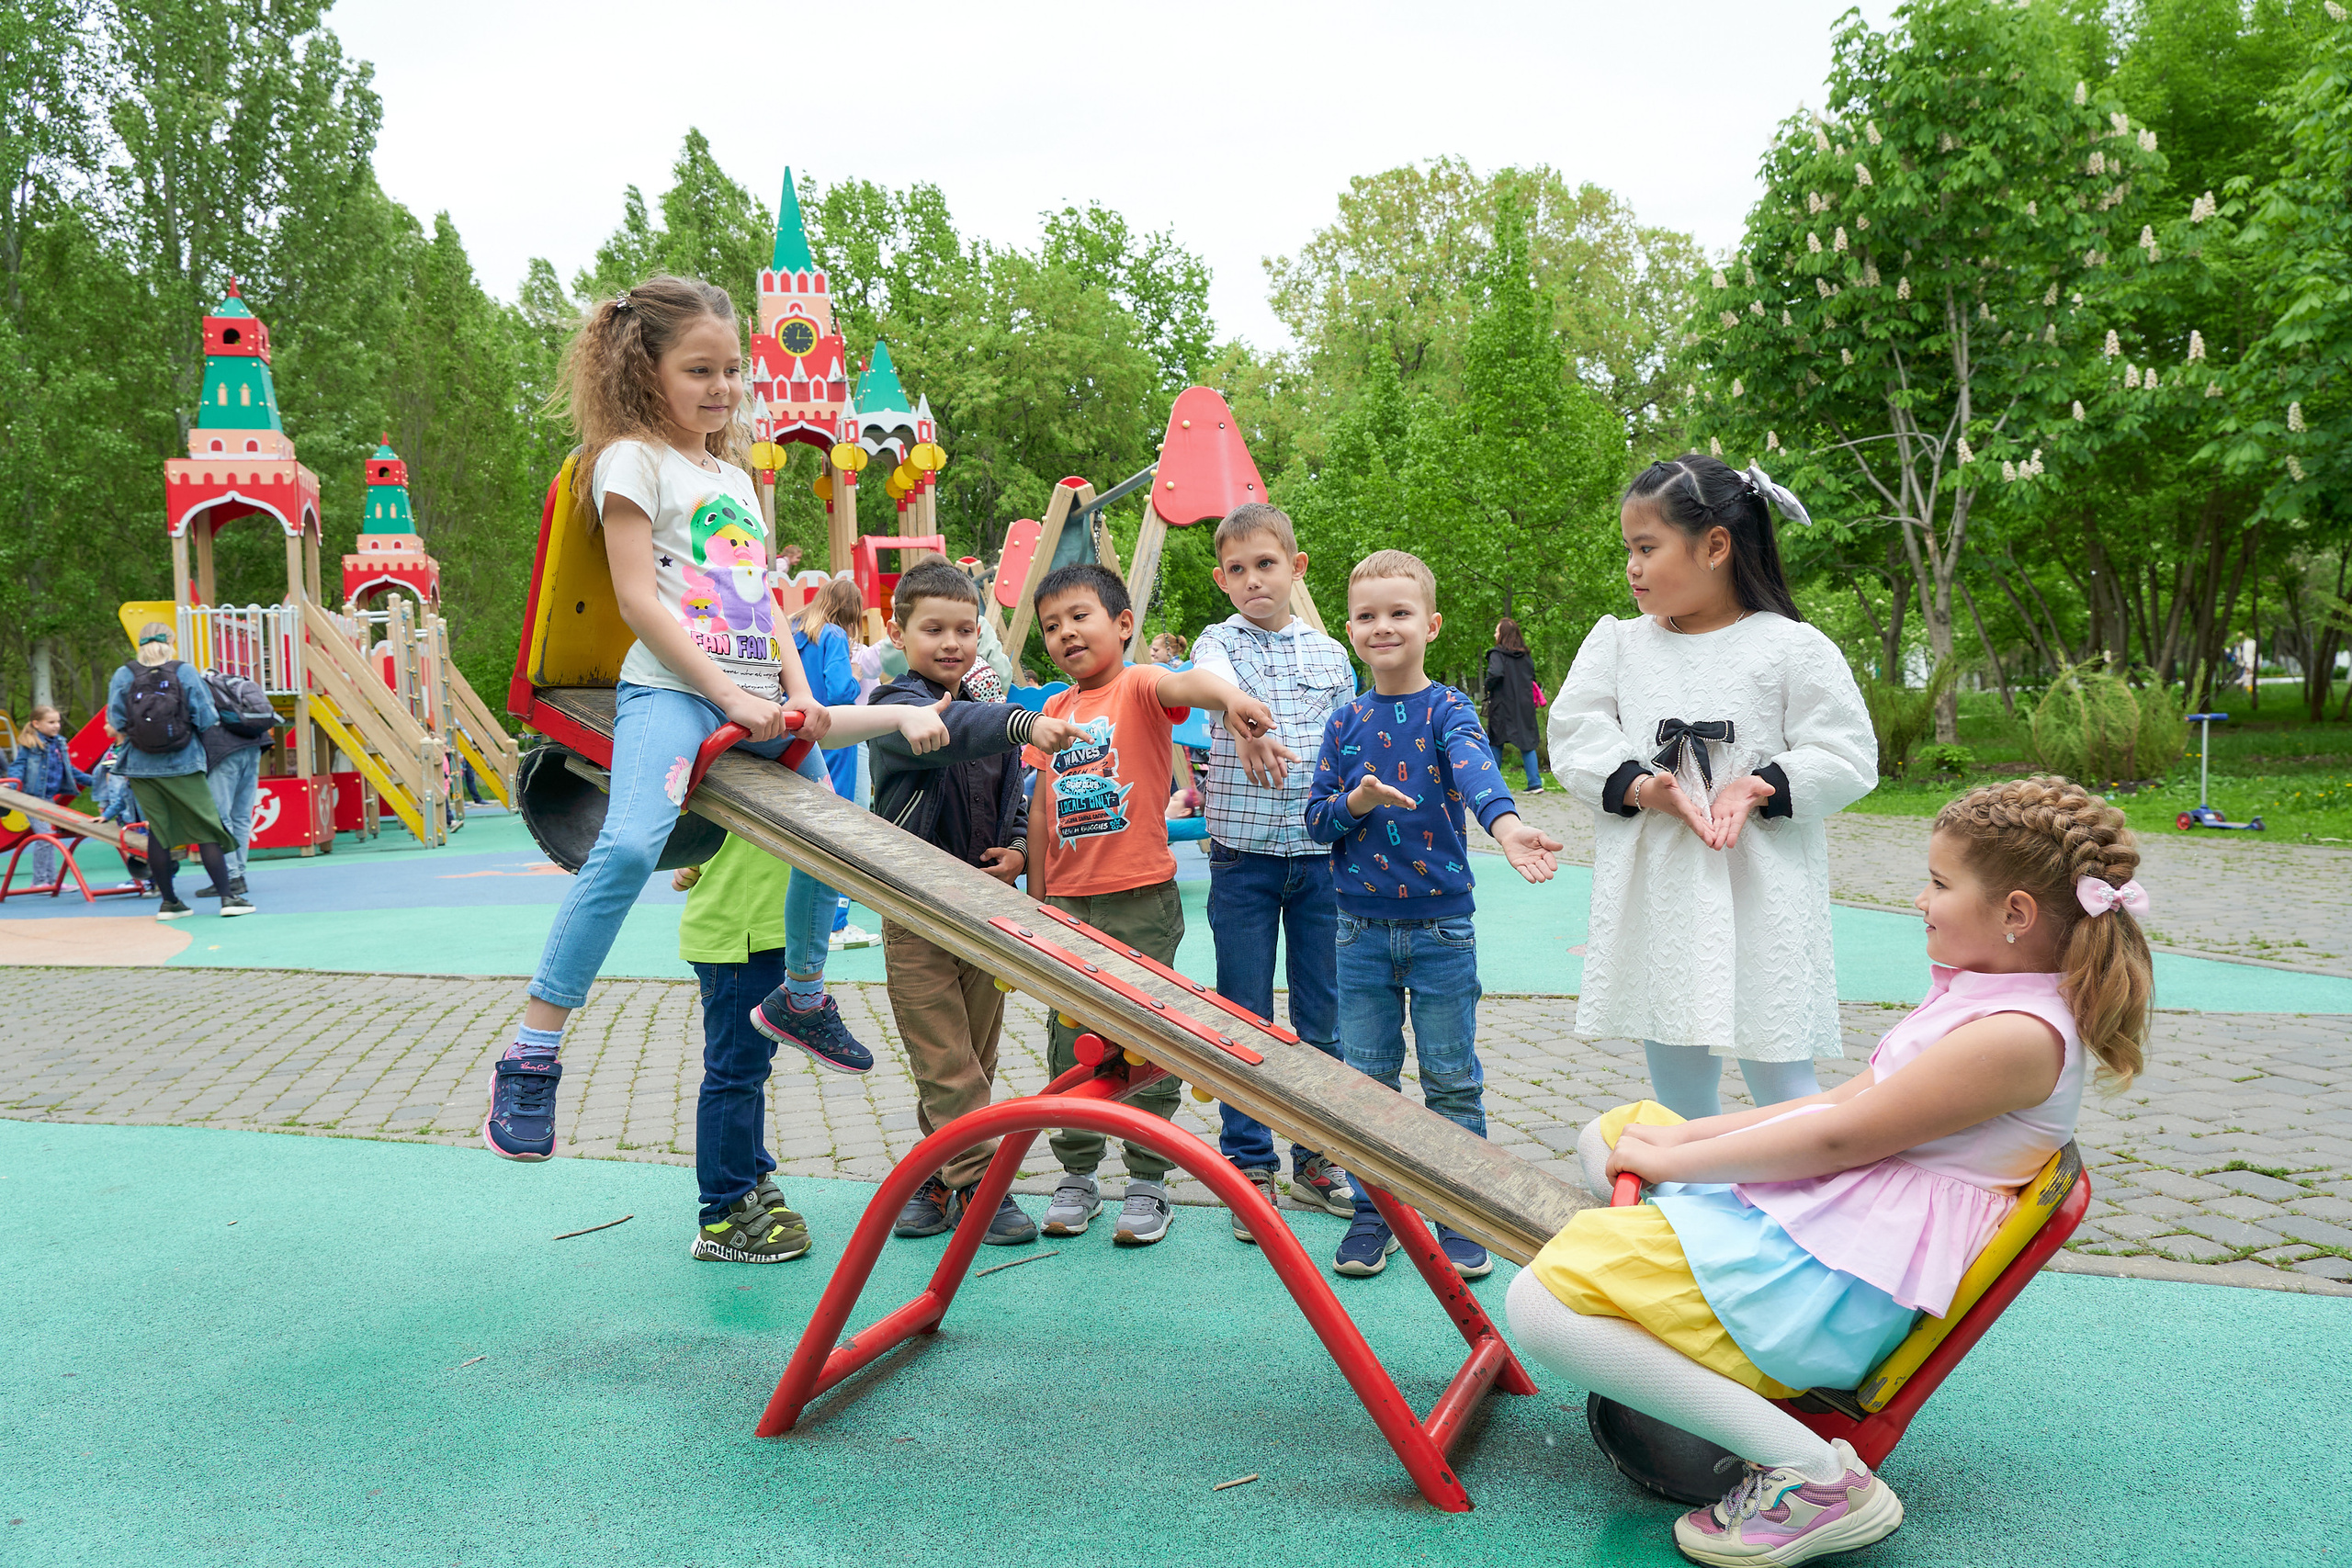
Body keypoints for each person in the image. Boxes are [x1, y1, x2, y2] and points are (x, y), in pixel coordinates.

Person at [1506, 776, 2151, 1566]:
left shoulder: (2016, 1035)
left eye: (1941, 884)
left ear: (2016, 913)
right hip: (1840, 1215)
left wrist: (1678, 1157)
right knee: (1615, 1132)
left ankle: (1815, 1478)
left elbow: (1839, 1140)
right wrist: (1672, 1146)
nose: (1921, 897)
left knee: (1537, 1305)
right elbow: (1843, 1105)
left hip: (1835, 1277)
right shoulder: (1988, 997)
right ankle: (1677, 1344)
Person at [485, 276, 950, 1164]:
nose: (722, 388)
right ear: (643, 368)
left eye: (732, 371)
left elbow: (761, 599)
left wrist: (788, 687)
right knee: (625, 846)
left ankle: (803, 994)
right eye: (699, 370)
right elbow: (636, 598)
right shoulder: (630, 459)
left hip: (752, 689)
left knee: (835, 836)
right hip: (669, 687)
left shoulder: (734, 473)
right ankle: (532, 1052)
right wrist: (726, 696)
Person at [1548, 456, 1876, 1123]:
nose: (1632, 567)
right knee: (1674, 1046)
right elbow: (1574, 732)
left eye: (1647, 548)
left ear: (1716, 545)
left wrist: (1762, 785)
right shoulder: (1619, 644)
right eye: (1628, 550)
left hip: (1762, 883)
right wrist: (1641, 786)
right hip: (1664, 880)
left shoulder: (1792, 647)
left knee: (1780, 1063)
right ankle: (1694, 1189)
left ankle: (1811, 1197)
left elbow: (1848, 751)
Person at [1304, 550, 1564, 1280]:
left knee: (1452, 1079)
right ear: (1351, 628)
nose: (1382, 625)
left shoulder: (1447, 709)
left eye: (1399, 612)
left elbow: (1478, 769)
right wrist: (1357, 801)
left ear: (1431, 623)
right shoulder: (1344, 720)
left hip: (1441, 931)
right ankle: (1374, 1212)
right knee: (1367, 1080)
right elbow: (1316, 821)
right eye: (1367, 614)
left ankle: (1461, 1210)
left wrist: (1508, 827)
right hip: (1357, 931)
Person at [1022, 561, 1291, 1246]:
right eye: (1051, 625)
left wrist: (1228, 698)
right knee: (1070, 1041)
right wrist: (1038, 894)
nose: (1064, 633)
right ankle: (1077, 1172)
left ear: (1122, 624)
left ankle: (1147, 1179)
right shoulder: (1054, 711)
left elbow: (1190, 681)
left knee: (1142, 1039)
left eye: (1079, 616)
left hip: (1140, 899)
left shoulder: (1139, 685)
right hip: (1070, 905)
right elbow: (1043, 809)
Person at [869, 559, 1084, 1247]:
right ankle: (982, 1185)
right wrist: (1020, 722)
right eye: (933, 629)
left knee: (974, 1053)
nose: (952, 642)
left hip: (985, 903)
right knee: (945, 1058)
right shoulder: (891, 705)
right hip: (918, 907)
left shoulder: (987, 711)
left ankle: (939, 1173)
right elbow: (952, 728)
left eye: (966, 629)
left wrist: (1020, 849)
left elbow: (1014, 793)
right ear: (897, 632)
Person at [1187, 503, 1361, 1235]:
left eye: (1266, 564)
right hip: (1244, 861)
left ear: (1296, 567)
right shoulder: (1216, 643)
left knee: (1324, 1016)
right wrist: (1238, 711)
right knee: (1244, 1013)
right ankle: (1248, 1160)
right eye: (1237, 569)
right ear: (1222, 580)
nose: (1253, 580)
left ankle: (1316, 1157)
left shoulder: (1330, 655)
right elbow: (1211, 676)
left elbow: (1351, 741)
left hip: (1322, 859)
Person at [669, 840, 817, 1263]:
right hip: (739, 939)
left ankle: (750, 1182)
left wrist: (691, 859)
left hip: (768, 934)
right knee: (732, 1074)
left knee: (749, 1072)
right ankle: (722, 1214)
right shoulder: (746, 770)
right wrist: (690, 856)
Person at [106, 626, 251, 919]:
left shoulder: (124, 674)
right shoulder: (183, 671)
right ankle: (228, 898)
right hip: (184, 761)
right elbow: (206, 716)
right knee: (207, 827)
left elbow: (117, 719)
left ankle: (170, 903)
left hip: (141, 766)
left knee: (159, 831)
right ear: (170, 642)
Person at [793, 576, 877, 948]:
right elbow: (840, 688)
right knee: (839, 822)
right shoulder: (834, 636)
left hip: (797, 735)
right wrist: (857, 678)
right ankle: (835, 923)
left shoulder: (795, 630)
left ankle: (811, 921)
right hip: (833, 733)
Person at [193, 666, 278, 899]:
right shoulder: (228, 683)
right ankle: (238, 873)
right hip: (252, 746)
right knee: (241, 816)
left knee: (220, 817)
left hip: (223, 752)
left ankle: (230, 876)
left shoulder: (197, 687)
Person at [5, 705, 92, 891]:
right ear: (36, 724)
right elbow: (18, 767)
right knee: (45, 837)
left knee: (52, 838)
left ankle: (52, 881)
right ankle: (39, 881)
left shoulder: (59, 743)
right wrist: (11, 785)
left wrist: (93, 781)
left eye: (58, 721)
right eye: (51, 722)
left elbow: (69, 770)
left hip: (48, 799)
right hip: (31, 799)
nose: (56, 726)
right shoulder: (31, 744)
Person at [1482, 618, 1545, 794]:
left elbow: (1495, 673)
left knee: (1496, 742)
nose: (1495, 634)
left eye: (1497, 630)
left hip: (1502, 705)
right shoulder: (1526, 656)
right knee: (1527, 743)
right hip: (1524, 705)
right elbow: (1531, 676)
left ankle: (1492, 785)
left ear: (1503, 633)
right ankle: (1535, 783)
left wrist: (1488, 685)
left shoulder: (1497, 654)